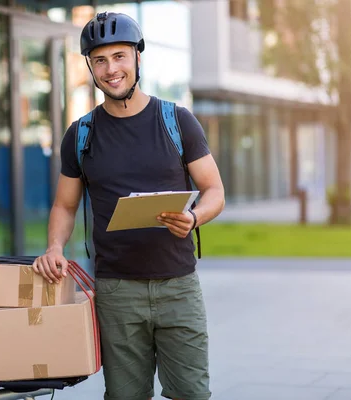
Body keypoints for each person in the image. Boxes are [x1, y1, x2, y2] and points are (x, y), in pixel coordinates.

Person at [32, 11, 225, 400]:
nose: (110, 69)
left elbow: (214, 190)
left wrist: (194, 217)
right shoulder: (81, 134)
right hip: (117, 291)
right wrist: (54, 248)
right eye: (100, 60)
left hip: (178, 287)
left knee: (192, 394)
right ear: (90, 66)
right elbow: (65, 206)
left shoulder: (177, 121)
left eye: (119, 56)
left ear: (138, 57)